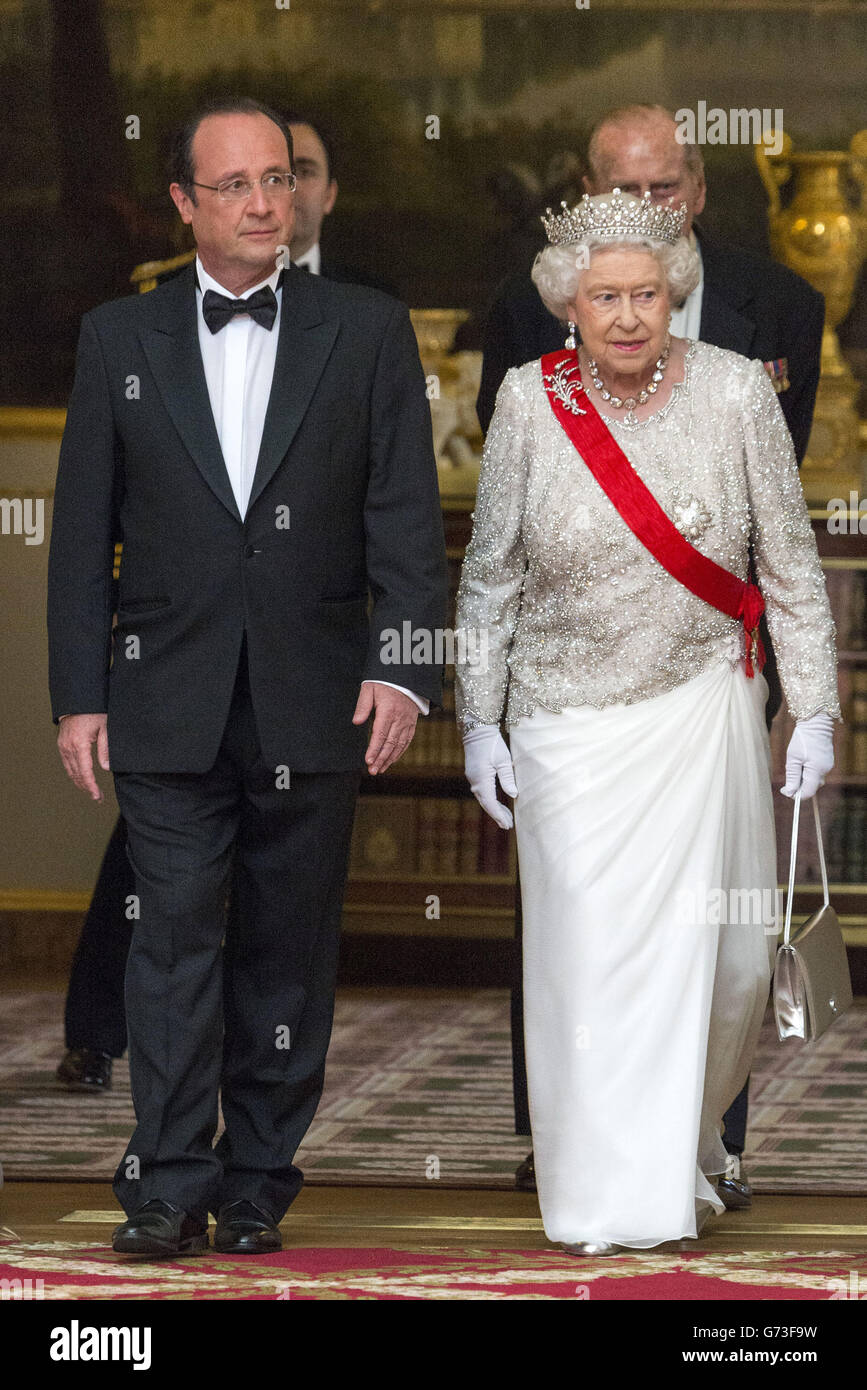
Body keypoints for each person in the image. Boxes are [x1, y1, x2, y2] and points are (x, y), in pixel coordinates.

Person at [47, 97, 447, 1257]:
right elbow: (82, 534)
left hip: (314, 694)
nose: (267, 203)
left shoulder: (365, 331)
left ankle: (260, 1178)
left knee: (285, 945)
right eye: (237, 185)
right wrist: (81, 692)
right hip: (162, 695)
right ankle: (169, 1183)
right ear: (183, 203)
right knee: (170, 940)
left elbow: (405, 522)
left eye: (280, 180)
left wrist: (406, 671)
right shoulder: (119, 339)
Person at [454, 188, 839, 1253]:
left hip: (702, 706)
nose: (627, 316)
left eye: (647, 295)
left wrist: (813, 709)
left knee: (722, 965)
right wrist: (480, 722)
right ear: (566, 307)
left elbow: (790, 567)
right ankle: (605, 1189)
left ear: (676, 296)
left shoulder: (733, 394)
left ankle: (686, 1146)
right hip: (567, 724)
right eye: (603, 297)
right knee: (593, 964)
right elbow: (490, 577)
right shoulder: (533, 401)